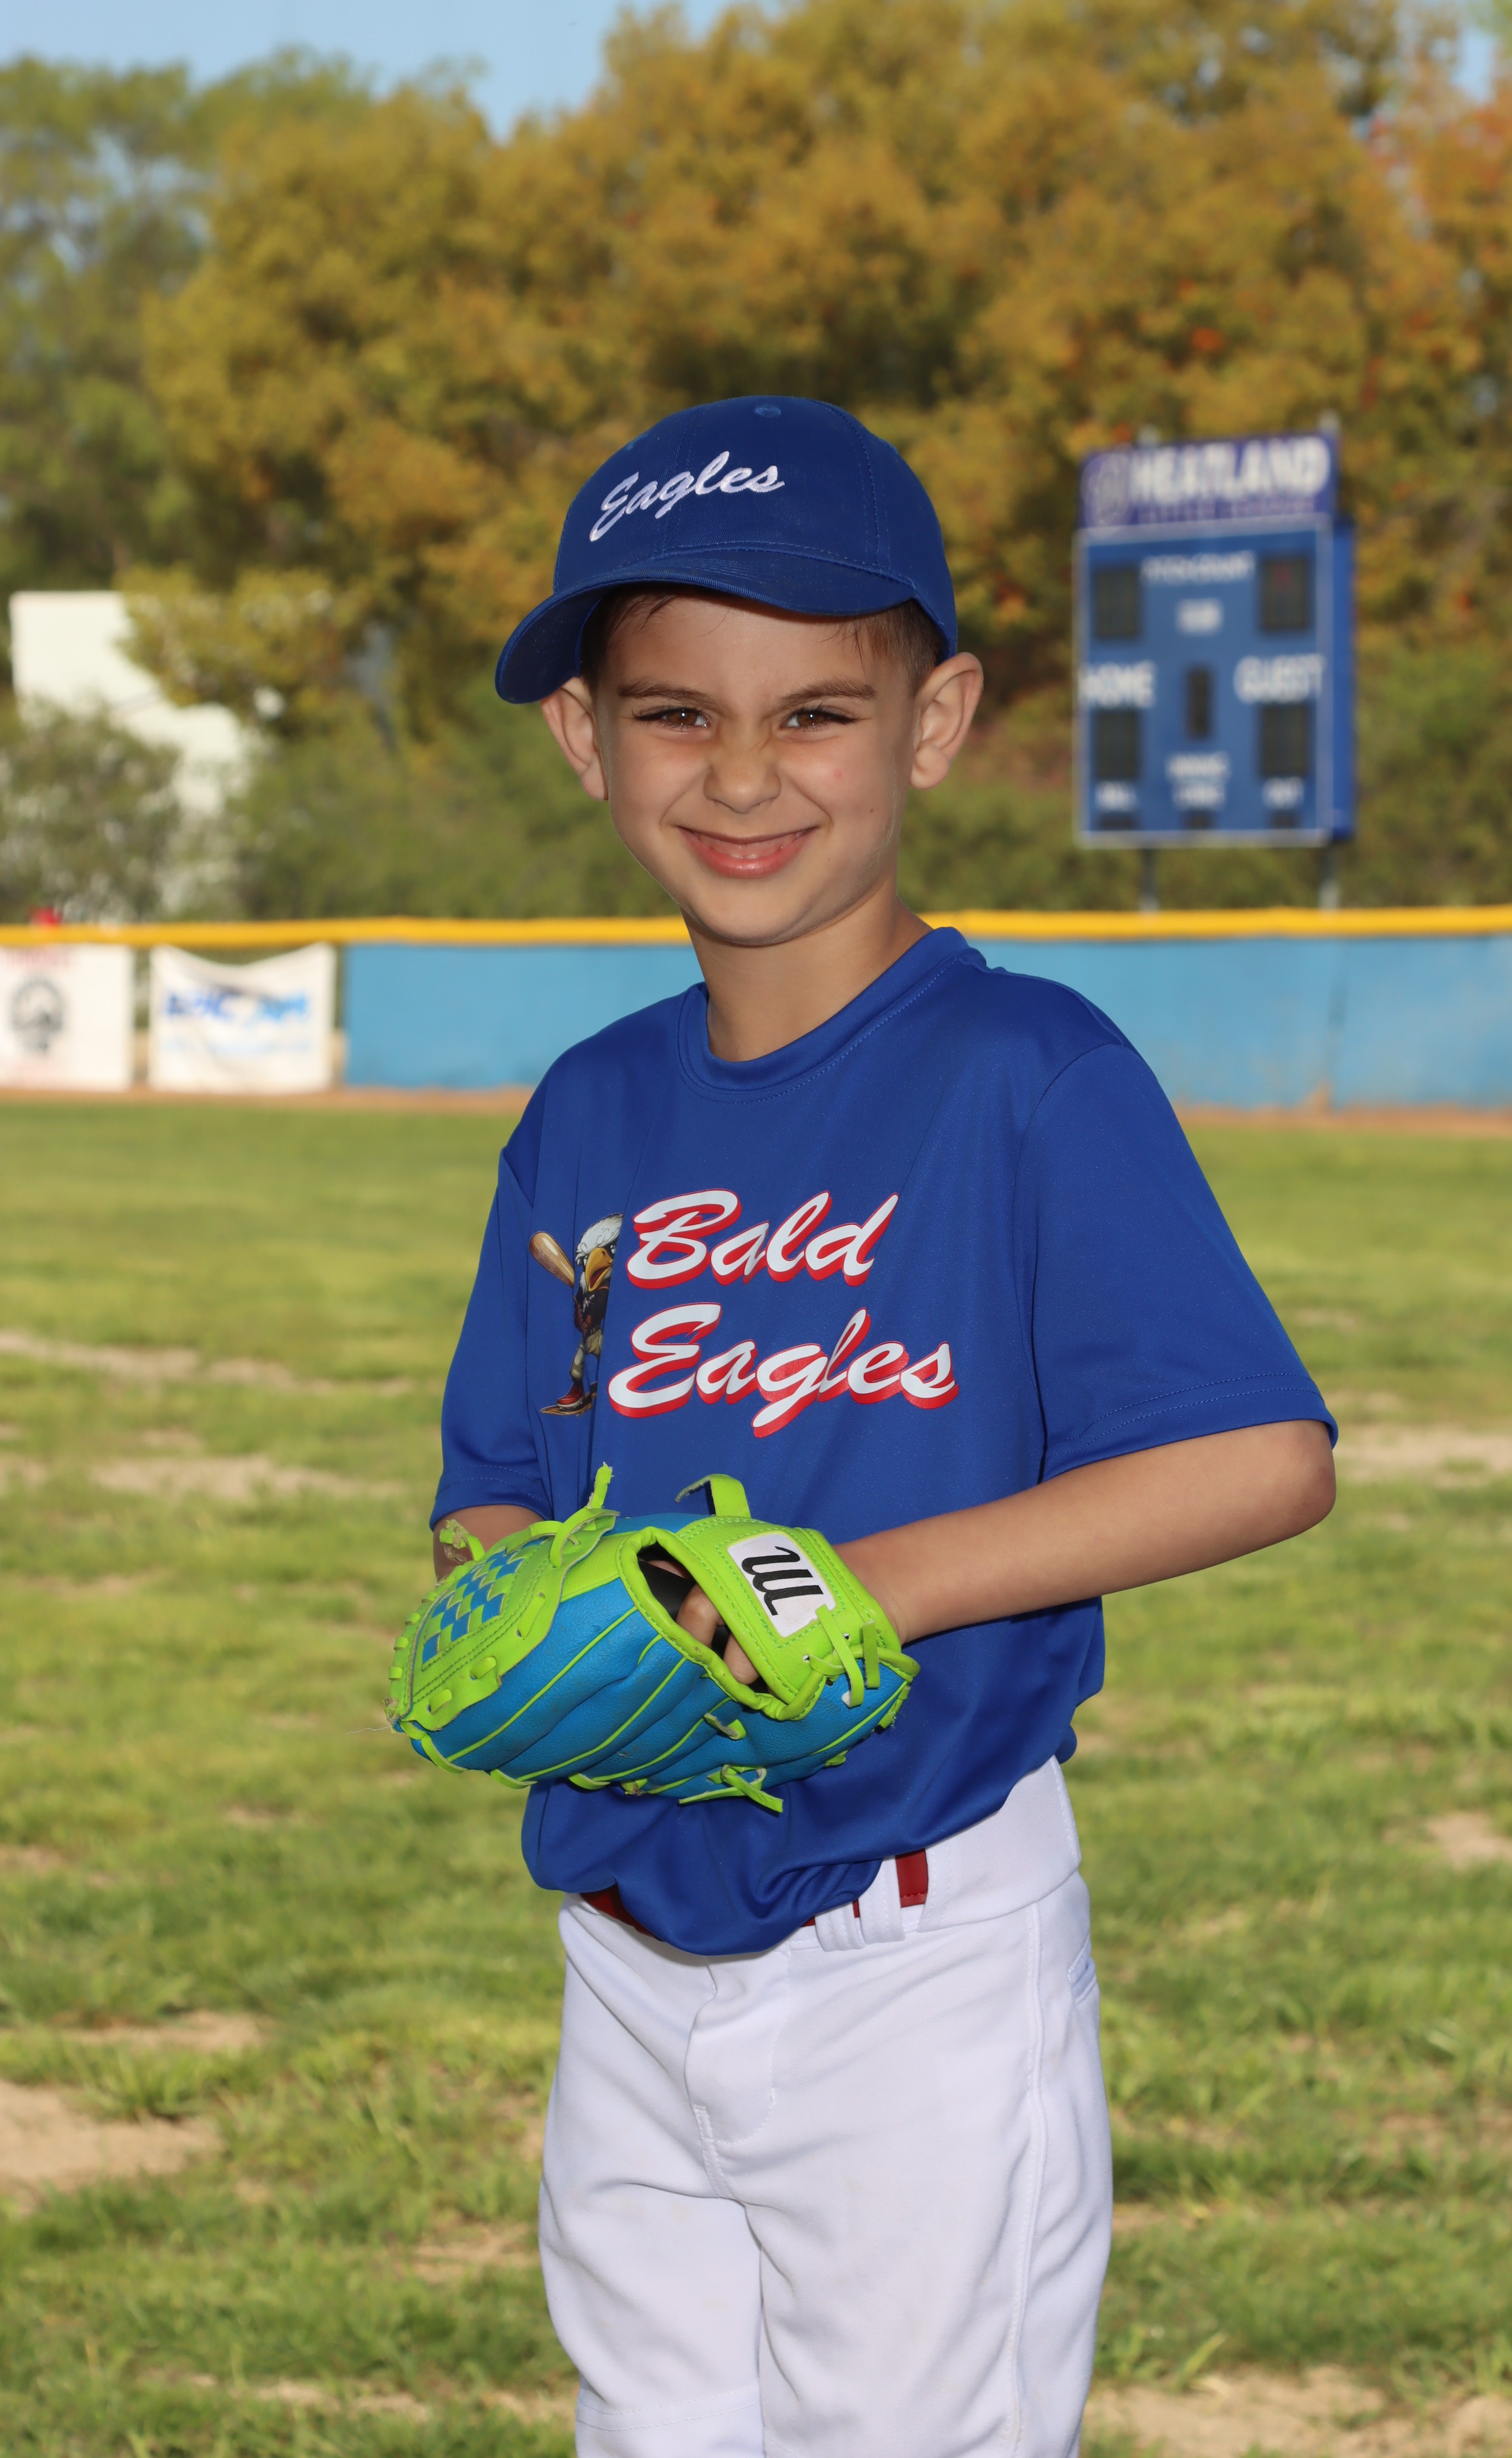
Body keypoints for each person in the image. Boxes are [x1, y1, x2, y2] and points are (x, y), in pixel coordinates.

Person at [430, 394, 1336, 2458]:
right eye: (675, 713)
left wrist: (840, 1588)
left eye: (816, 714)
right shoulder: (587, 1112)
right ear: (584, 737)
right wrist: (539, 1618)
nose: (743, 773)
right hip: (626, 1934)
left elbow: (1258, 1456)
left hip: (915, 1950)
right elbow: (498, 1487)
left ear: (932, 725)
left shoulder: (1025, 1072)